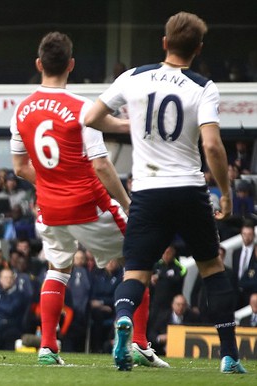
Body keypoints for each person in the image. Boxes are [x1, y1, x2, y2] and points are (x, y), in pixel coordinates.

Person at [85, 12, 246, 373]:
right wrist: (224, 192)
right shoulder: (203, 86)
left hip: (147, 192)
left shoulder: (133, 77)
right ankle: (230, 356)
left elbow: (92, 118)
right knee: (211, 268)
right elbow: (214, 147)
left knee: (136, 273)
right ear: (199, 49)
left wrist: (132, 124)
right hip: (189, 191)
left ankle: (124, 321)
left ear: (164, 43)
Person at [9, 31, 162, 367]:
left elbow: (20, 167)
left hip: (48, 208)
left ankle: (48, 347)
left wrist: (51, 181)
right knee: (139, 261)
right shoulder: (82, 108)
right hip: (88, 203)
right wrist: (126, 203)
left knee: (57, 269)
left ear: (38, 64)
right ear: (71, 65)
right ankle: (138, 342)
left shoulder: (20, 110)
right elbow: (102, 165)